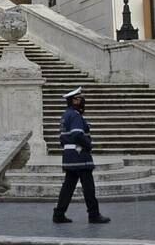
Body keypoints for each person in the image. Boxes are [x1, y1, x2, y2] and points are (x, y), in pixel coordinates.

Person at [53, 87, 109, 224]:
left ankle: (59, 214)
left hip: (69, 156)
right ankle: (94, 214)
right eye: (79, 98)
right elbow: (77, 134)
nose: (82, 100)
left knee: (68, 187)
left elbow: (62, 138)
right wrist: (88, 145)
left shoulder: (65, 115)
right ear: (74, 101)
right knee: (88, 187)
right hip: (80, 156)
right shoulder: (75, 115)